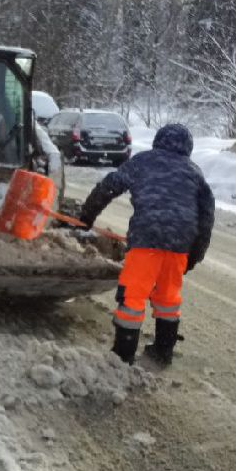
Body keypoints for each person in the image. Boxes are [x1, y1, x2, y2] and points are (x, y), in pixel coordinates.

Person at [80, 123, 215, 367]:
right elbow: (206, 217)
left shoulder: (143, 161)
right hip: (180, 244)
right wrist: (194, 254)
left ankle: (123, 355)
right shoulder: (194, 172)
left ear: (158, 141)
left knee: (132, 297)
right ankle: (163, 351)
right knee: (168, 298)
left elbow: (109, 186)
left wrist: (86, 218)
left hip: (147, 239)